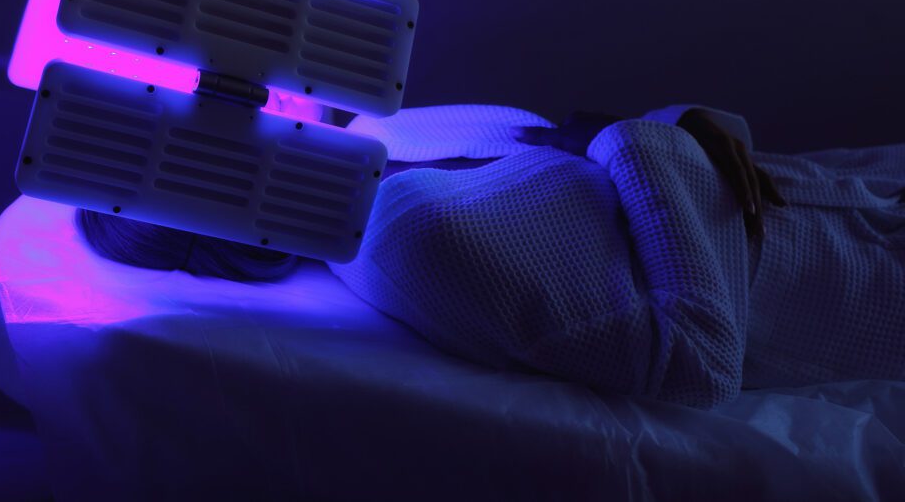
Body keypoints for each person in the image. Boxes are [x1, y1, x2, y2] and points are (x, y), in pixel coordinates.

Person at [76, 104, 905, 408]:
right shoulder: (418, 248)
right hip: (851, 291)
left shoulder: (399, 134)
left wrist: (680, 121)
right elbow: (699, 361)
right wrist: (641, 140)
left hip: (843, 185)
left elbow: (611, 138)